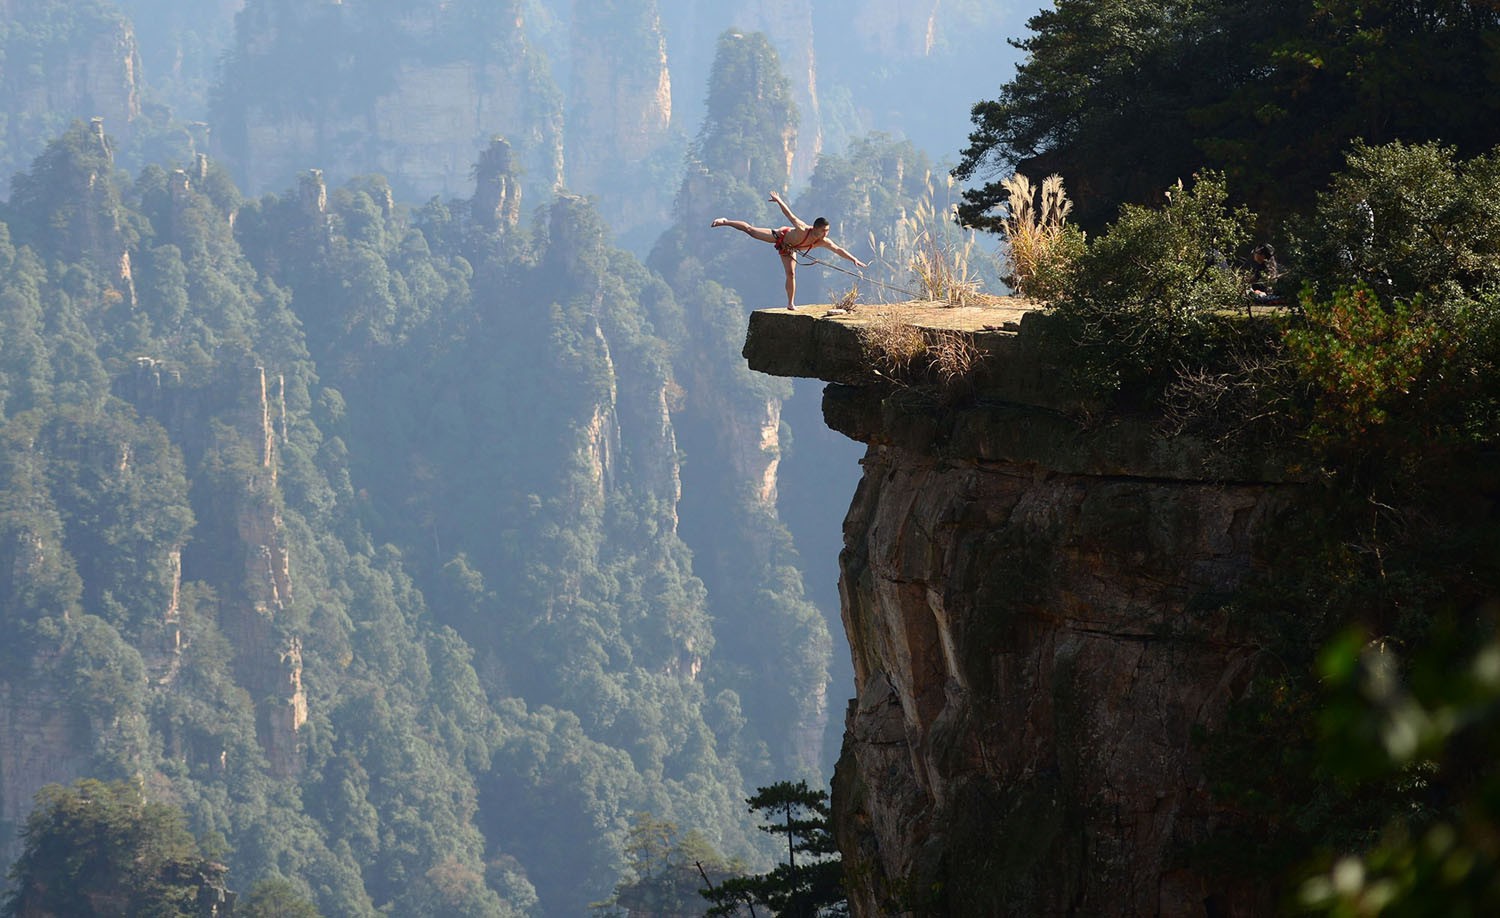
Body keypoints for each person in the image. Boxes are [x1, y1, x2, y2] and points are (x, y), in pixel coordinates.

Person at [712, 191, 867, 309]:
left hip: (790, 249)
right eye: (824, 231)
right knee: (751, 231)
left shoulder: (823, 241)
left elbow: (838, 250)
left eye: (827, 231)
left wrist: (853, 259)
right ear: (816, 228)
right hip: (780, 237)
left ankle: (790, 303)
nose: (826, 233)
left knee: (791, 273)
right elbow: (789, 214)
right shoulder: (802, 228)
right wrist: (779, 200)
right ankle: (726, 221)